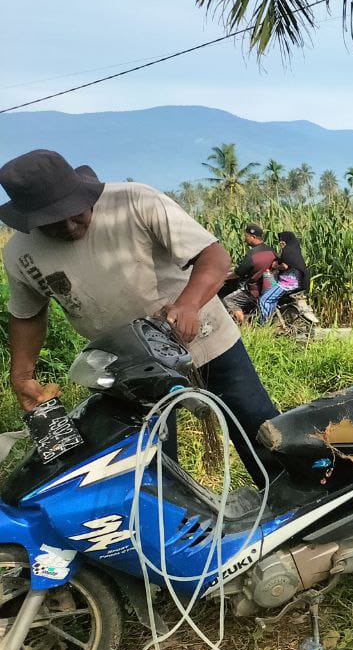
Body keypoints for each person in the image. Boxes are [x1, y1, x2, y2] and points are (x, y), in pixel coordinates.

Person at [0, 149, 279, 484]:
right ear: (30, 220)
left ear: (85, 194)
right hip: (128, 368)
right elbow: (28, 314)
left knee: (258, 430)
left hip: (203, 338)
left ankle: (288, 504)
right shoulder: (20, 253)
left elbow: (214, 256)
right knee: (148, 459)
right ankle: (169, 513)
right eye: (54, 224)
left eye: (76, 214)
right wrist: (22, 376)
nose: (70, 227)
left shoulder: (135, 202)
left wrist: (188, 305)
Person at [223, 224, 278, 323]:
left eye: (246, 236)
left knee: (229, 300)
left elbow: (238, 273)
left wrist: (223, 277)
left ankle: (243, 326)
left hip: (254, 291)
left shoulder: (252, 255)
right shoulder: (271, 251)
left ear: (253, 237)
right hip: (269, 287)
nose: (244, 238)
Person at [258, 230, 310, 324]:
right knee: (272, 299)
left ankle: (264, 324)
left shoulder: (287, 250)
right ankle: (273, 320)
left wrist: (275, 266)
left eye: (282, 240)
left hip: (288, 283)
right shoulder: (295, 250)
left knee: (264, 299)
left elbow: (285, 266)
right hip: (297, 283)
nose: (281, 242)